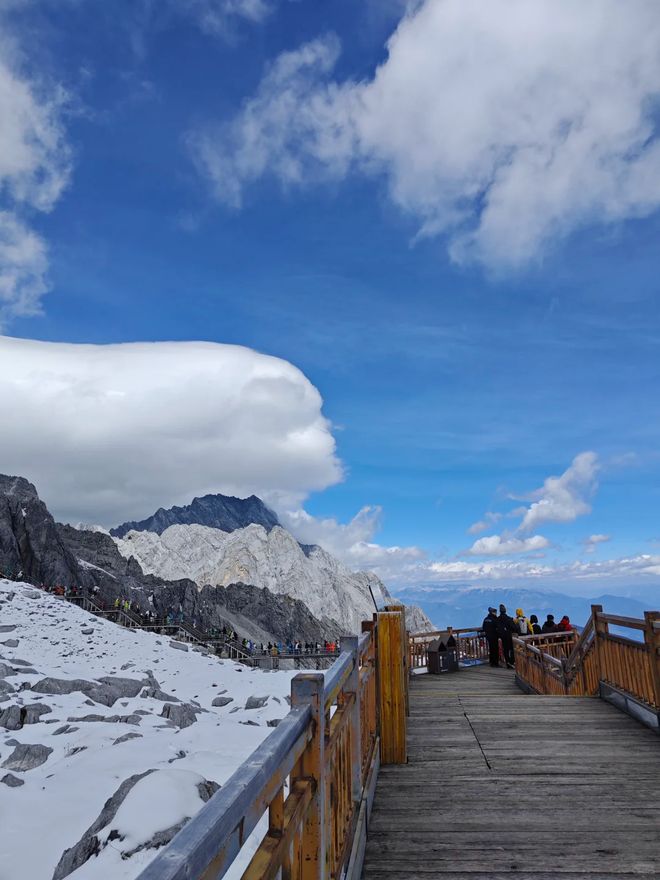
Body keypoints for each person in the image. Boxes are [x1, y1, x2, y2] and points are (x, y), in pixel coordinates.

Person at [497, 604, 516, 668]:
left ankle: (507, 662)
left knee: (505, 649)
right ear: (505, 611)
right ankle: (511, 662)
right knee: (512, 649)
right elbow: (514, 628)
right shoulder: (509, 619)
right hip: (509, 636)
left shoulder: (498, 619)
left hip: (502, 637)